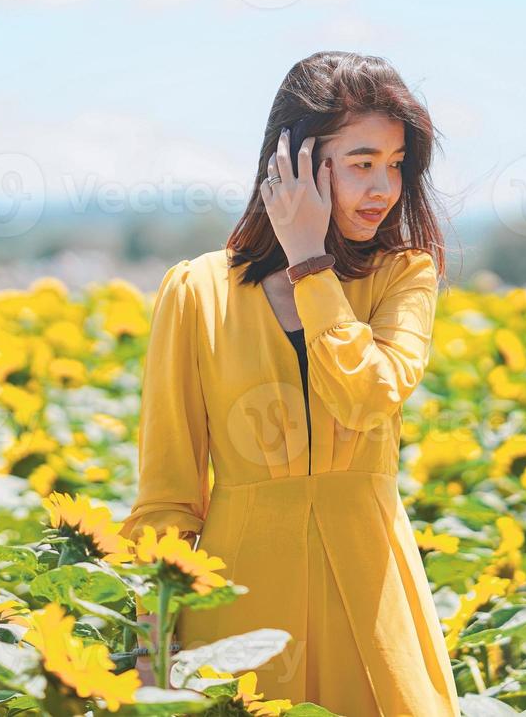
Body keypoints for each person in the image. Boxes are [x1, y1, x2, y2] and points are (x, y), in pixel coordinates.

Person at [118, 51, 461, 716]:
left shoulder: (404, 276)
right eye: (361, 163)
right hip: (236, 615)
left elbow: (367, 396)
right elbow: (165, 499)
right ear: (291, 164)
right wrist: (149, 650)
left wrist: (311, 264)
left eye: (395, 165)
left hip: (374, 601)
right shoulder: (198, 292)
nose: (384, 189)